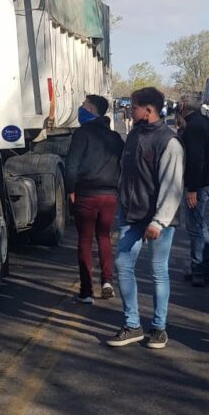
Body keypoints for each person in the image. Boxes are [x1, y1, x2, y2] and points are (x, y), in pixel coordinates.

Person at [106, 86, 184, 350]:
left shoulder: (169, 142)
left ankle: (159, 328)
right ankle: (132, 325)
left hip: (158, 221)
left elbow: (172, 186)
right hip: (131, 215)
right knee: (122, 264)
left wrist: (158, 222)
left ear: (148, 110)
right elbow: (124, 172)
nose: (130, 110)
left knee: (158, 271)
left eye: (134, 107)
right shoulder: (133, 135)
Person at [64, 94, 124, 303]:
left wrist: (70, 189)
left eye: (83, 105)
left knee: (85, 239)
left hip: (86, 194)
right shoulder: (114, 137)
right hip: (109, 195)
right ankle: (107, 281)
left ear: (90, 110)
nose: (80, 108)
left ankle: (87, 291)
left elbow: (72, 164)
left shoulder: (82, 134)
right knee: (104, 236)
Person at [178, 94, 209, 286]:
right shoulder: (203, 122)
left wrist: (191, 188)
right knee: (200, 225)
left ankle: (198, 267)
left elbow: (195, 158)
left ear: (183, 106)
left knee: (195, 227)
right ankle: (206, 266)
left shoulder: (193, 127)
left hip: (198, 184)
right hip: (206, 180)